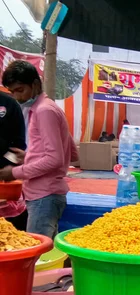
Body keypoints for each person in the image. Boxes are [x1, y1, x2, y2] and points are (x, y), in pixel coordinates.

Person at [0, 60, 79, 238]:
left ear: (35, 84)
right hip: (45, 194)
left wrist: (14, 172)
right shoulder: (47, 108)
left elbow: (55, 159)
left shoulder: (44, 111)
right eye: (12, 92)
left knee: (37, 256)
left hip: (45, 195)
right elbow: (71, 152)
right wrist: (29, 156)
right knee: (46, 251)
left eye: (20, 90)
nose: (17, 97)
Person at [0, 91, 27, 230]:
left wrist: (9, 169)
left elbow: (19, 145)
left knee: (11, 234)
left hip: (5, 180)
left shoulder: (8, 104)